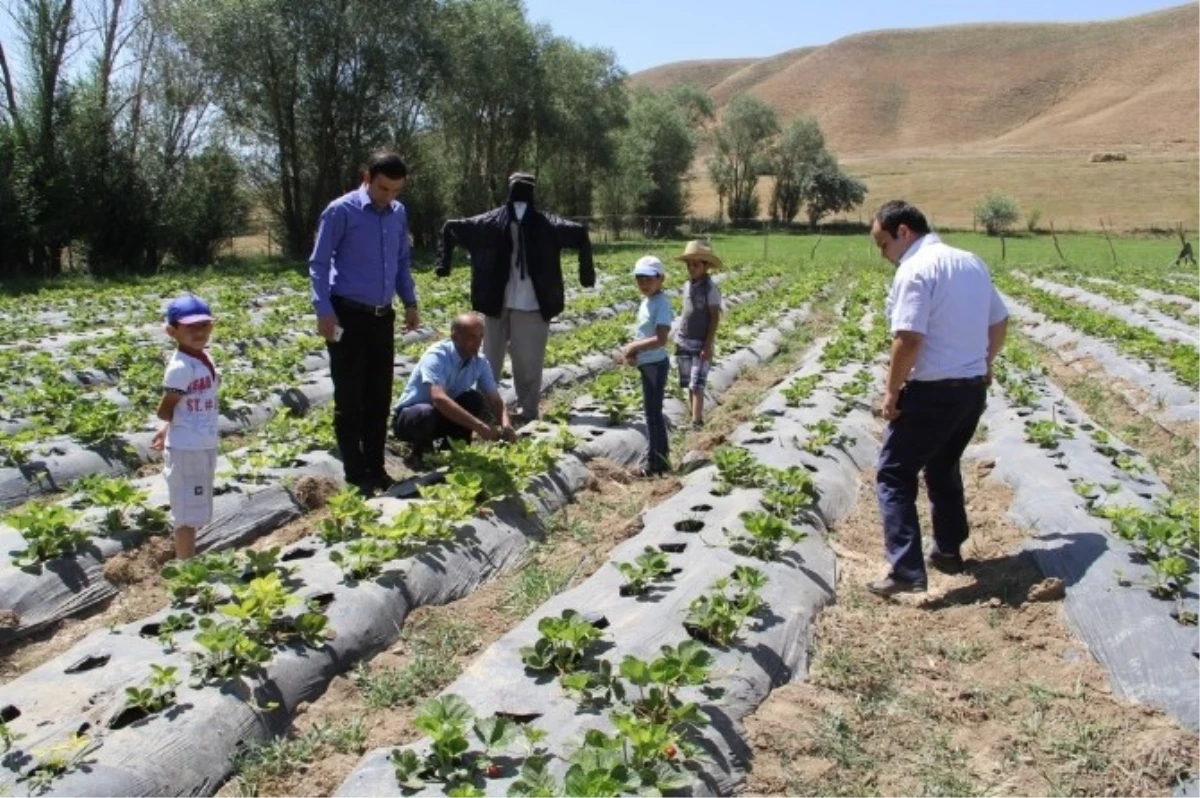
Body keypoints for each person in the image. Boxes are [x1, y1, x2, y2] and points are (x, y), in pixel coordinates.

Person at [868, 200, 1009, 597]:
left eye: (882, 244)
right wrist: (985, 362)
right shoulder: (970, 262)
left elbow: (909, 338)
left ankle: (906, 570)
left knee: (894, 474)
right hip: (970, 390)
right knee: (943, 463)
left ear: (903, 233)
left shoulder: (915, 268)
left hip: (932, 392)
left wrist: (892, 390)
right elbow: (999, 321)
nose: (883, 255)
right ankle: (948, 551)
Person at [436, 172, 594, 424]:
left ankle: (527, 411)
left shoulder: (545, 224)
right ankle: (486, 408)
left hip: (531, 303)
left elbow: (450, 227)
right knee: (488, 360)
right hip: (496, 302)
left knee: (527, 361)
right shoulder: (493, 222)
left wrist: (588, 274)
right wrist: (442, 263)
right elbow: (451, 228)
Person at [309, 151, 420, 497]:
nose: (388, 197)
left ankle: (377, 467)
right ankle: (356, 474)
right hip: (347, 315)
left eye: (395, 191)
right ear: (367, 177)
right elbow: (319, 264)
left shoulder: (397, 214)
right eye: (383, 188)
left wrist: (410, 300)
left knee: (379, 396)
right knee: (350, 398)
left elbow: (402, 261)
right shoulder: (341, 211)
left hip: (381, 316)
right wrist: (323, 310)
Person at [392, 313, 517, 467]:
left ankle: (454, 450)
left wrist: (506, 425)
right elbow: (439, 399)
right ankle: (421, 454)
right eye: (471, 337)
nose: (477, 342)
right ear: (455, 336)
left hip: (441, 417)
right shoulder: (437, 356)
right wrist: (480, 426)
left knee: (473, 399)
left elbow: (494, 398)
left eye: (480, 336)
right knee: (426, 413)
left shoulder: (480, 361)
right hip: (412, 419)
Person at [151, 295, 219, 560]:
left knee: (196, 505)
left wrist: (163, 428)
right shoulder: (180, 367)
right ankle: (185, 568)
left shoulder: (203, 357)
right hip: (186, 448)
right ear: (172, 331)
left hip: (202, 443)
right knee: (187, 513)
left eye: (204, 325)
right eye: (190, 327)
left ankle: (188, 562)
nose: (199, 332)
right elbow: (167, 406)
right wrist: (165, 429)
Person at [621, 256, 674, 477]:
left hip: (655, 365)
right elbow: (645, 333)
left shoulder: (661, 303)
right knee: (652, 413)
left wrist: (634, 346)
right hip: (647, 363)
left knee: (653, 415)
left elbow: (661, 339)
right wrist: (635, 353)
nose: (643, 283)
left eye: (648, 278)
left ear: (660, 279)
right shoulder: (647, 301)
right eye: (639, 278)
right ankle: (661, 458)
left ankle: (655, 464)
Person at [674, 240, 723, 430]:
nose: (691, 268)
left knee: (697, 384)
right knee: (688, 383)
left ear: (705, 266)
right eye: (689, 264)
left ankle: (697, 423)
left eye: (696, 264)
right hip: (684, 340)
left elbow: (714, 318)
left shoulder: (710, 288)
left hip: (701, 343)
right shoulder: (688, 285)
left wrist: (707, 345)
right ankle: (693, 418)